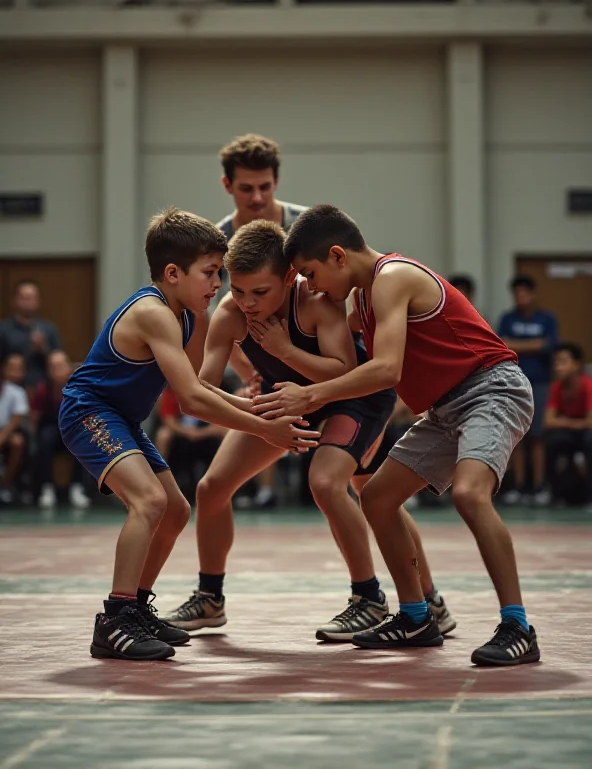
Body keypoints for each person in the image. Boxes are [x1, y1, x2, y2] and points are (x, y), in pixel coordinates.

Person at [253, 204, 539, 667]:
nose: (311, 286)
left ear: (337, 256)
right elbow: (327, 346)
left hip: (492, 389)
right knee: (379, 497)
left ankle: (517, 626)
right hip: (446, 408)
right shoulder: (363, 297)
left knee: (469, 495)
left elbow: (386, 370)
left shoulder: (393, 278)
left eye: (310, 273)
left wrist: (310, 397)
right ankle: (416, 617)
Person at [165, 220, 455, 642]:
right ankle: (210, 598)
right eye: (239, 290)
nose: (247, 303)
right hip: (284, 406)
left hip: (352, 400)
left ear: (289, 277)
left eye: (259, 293)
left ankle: (374, 599)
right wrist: (257, 414)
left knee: (335, 484)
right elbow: (203, 388)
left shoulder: (317, 300)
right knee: (212, 489)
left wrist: (284, 350)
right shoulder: (229, 312)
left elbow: (345, 370)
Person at [58, 207, 320, 662]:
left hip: (120, 418)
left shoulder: (180, 314)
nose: (218, 285)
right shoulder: (154, 313)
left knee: (176, 510)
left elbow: (198, 386)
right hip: (89, 412)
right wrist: (266, 428)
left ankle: (136, 607)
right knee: (150, 501)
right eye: (211, 273)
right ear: (173, 272)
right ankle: (115, 619)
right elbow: (192, 403)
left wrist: (257, 408)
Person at [215, 133, 308, 506]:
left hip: (324, 371)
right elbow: (215, 319)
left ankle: (403, 569)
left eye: (265, 187)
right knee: (212, 489)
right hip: (266, 374)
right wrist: (248, 374)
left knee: (361, 485)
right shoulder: (217, 240)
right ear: (227, 185)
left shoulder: (304, 227)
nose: (257, 197)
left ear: (276, 182)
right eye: (246, 188)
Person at [498, 276, 558, 506]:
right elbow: (502, 345)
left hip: (541, 383)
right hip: (513, 383)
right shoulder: (507, 319)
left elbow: (549, 346)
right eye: (517, 293)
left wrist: (517, 344)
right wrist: (533, 344)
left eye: (524, 292)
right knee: (517, 437)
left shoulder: (546, 319)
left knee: (538, 436)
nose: (520, 297)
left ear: (533, 294)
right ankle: (519, 486)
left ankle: (539, 486)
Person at [30, 350, 91, 510]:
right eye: (53, 367)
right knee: (44, 440)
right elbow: (36, 417)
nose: (57, 370)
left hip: (73, 427)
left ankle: (77, 488)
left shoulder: (79, 386)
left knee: (81, 438)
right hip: (50, 428)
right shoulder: (43, 389)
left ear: (69, 368)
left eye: (61, 365)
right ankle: (47, 488)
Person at [544, 343, 592, 506]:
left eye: (563, 362)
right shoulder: (556, 387)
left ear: (577, 364)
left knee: (589, 440)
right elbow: (549, 421)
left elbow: (590, 421)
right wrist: (574, 423)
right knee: (552, 441)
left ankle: (589, 496)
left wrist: (564, 421)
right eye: (556, 363)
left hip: (585, 433)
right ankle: (554, 492)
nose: (558, 368)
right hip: (570, 431)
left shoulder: (588, 386)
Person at [0, 280, 62, 390]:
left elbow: (59, 362)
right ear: (14, 300)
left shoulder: (49, 329)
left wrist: (42, 349)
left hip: (43, 390)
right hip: (12, 389)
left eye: (32, 298)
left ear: (38, 301)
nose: (29, 302)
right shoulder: (3, 329)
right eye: (25, 298)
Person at [0, 354, 29, 504]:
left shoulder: (16, 392)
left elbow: (16, 421)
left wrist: (2, 438)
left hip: (8, 432)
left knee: (17, 442)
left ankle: (6, 484)